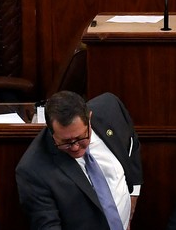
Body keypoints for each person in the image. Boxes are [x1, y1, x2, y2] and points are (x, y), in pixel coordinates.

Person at [15, 91, 142, 229]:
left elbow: (131, 142)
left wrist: (133, 193)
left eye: (81, 137)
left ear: (89, 118)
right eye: (66, 142)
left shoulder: (110, 108)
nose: (75, 147)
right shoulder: (33, 170)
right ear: (51, 132)